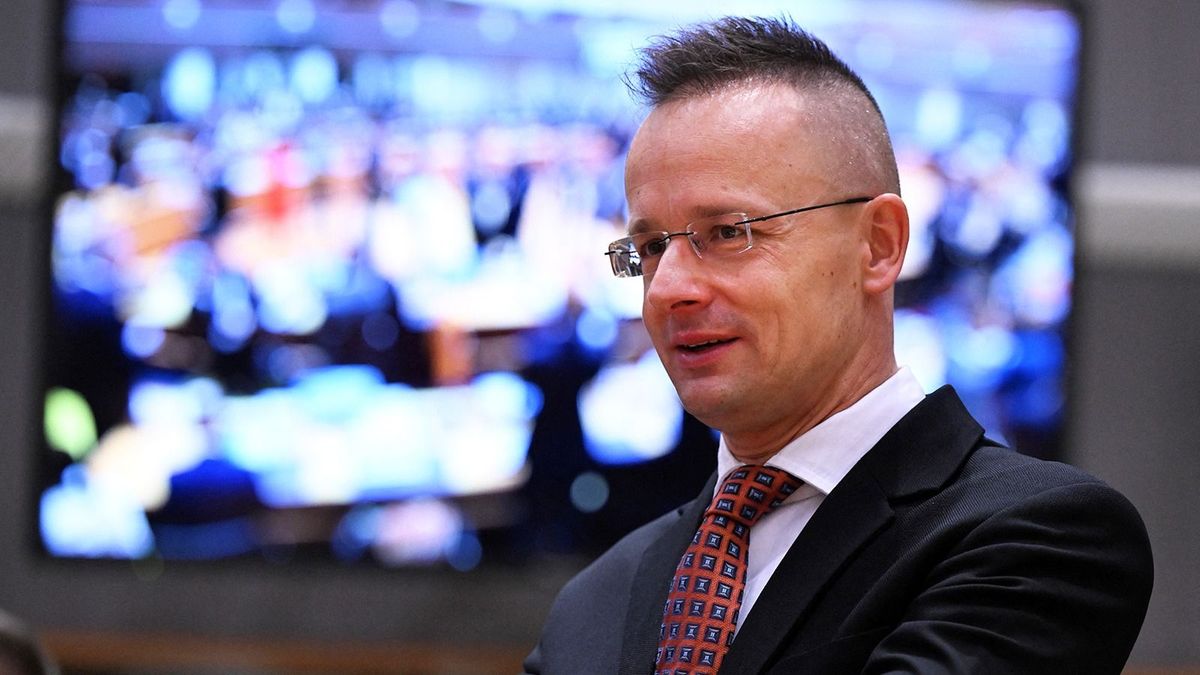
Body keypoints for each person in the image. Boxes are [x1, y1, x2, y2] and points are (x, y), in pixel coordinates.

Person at [523, 15, 1153, 675]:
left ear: (878, 244)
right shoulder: (594, 602)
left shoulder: (1036, 537)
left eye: (730, 231)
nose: (666, 288)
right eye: (651, 248)